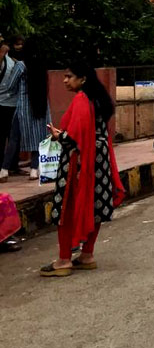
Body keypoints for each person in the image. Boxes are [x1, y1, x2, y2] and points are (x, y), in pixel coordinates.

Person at [40, 63, 125, 277]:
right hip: (101, 159)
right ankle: (87, 255)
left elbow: (74, 138)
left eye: (69, 76)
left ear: (83, 79)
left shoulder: (81, 100)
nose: (65, 80)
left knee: (68, 206)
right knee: (94, 204)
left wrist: (59, 136)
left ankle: (63, 260)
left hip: (80, 162)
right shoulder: (100, 100)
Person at [3, 39, 51, 180]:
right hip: (41, 107)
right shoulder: (42, 66)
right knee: (38, 137)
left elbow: (10, 85)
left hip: (23, 108)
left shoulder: (21, 65)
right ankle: (34, 170)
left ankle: (4, 169)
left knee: (14, 138)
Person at [0, 36, 25, 182]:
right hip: (2, 103)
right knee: (3, 136)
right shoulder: (3, 59)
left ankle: (13, 165)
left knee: (15, 136)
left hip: (14, 103)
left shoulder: (13, 61)